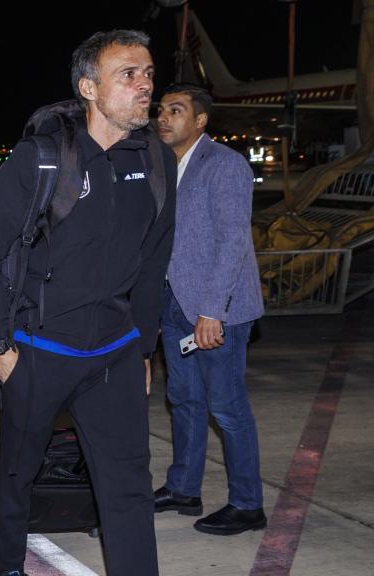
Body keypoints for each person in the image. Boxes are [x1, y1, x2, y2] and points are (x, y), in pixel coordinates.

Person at [0, 30, 175, 576]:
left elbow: (153, 263)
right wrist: (2, 344)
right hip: (38, 349)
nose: (144, 84)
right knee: (18, 472)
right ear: (89, 88)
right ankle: (8, 565)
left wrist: (144, 347)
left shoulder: (155, 162)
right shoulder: (42, 159)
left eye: (148, 73)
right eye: (128, 74)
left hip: (116, 354)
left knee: (127, 486)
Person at [154, 83, 267, 536]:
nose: (163, 117)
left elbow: (232, 241)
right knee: (183, 400)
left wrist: (211, 311)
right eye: (161, 110)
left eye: (175, 110)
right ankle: (183, 488)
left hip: (216, 309)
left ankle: (247, 504)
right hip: (173, 303)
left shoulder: (225, 165)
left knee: (226, 407)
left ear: (200, 120)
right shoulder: (165, 165)